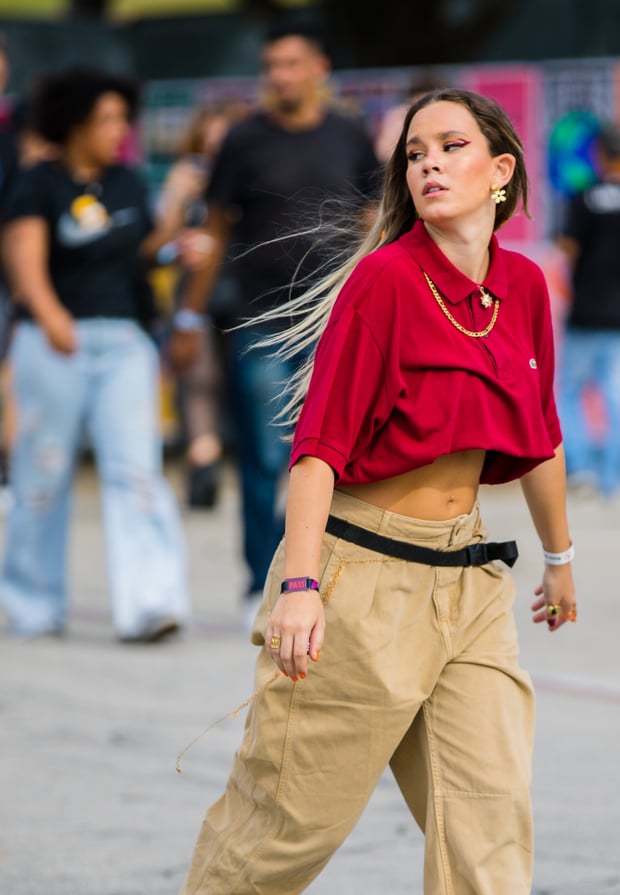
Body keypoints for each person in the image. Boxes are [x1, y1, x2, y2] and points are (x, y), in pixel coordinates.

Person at [102, 87, 597, 895]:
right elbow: (319, 447)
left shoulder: (523, 286)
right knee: (289, 828)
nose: (428, 165)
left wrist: (558, 558)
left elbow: (541, 434)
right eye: (413, 153)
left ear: (502, 169)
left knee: (487, 823)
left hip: (471, 585)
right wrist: (299, 583)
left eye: (452, 146)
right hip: (361, 575)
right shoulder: (384, 283)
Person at [169, 22, 380, 622]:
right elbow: (213, 229)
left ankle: (325, 579)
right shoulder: (242, 140)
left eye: (291, 64)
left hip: (336, 322)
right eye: (271, 66)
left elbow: (371, 222)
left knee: (340, 456)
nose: (280, 76)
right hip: (260, 318)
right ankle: (260, 582)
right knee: (266, 456)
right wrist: (187, 315)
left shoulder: (349, 136)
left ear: (320, 68)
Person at [0, 67, 191, 641]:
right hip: (56, 340)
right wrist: (50, 315)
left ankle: (149, 604)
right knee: (43, 471)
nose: (118, 130)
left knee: (137, 472)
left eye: (121, 119)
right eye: (105, 119)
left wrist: (179, 231)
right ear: (75, 123)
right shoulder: (38, 183)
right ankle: (34, 603)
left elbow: (147, 254)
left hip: (125, 341)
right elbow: (22, 259)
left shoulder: (129, 182)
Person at [158, 101, 249, 509]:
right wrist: (179, 227)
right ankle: (203, 462)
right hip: (195, 290)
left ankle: (244, 461)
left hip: (243, 290)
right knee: (198, 378)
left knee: (247, 380)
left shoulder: (250, 175)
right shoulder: (185, 178)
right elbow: (157, 245)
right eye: (209, 140)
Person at [557, 122, 620, 498]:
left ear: (599, 154)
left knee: (568, 395)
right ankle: (613, 481)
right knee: (618, 404)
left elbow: (568, 248)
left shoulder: (584, 197)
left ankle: (581, 469)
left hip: (585, 313)